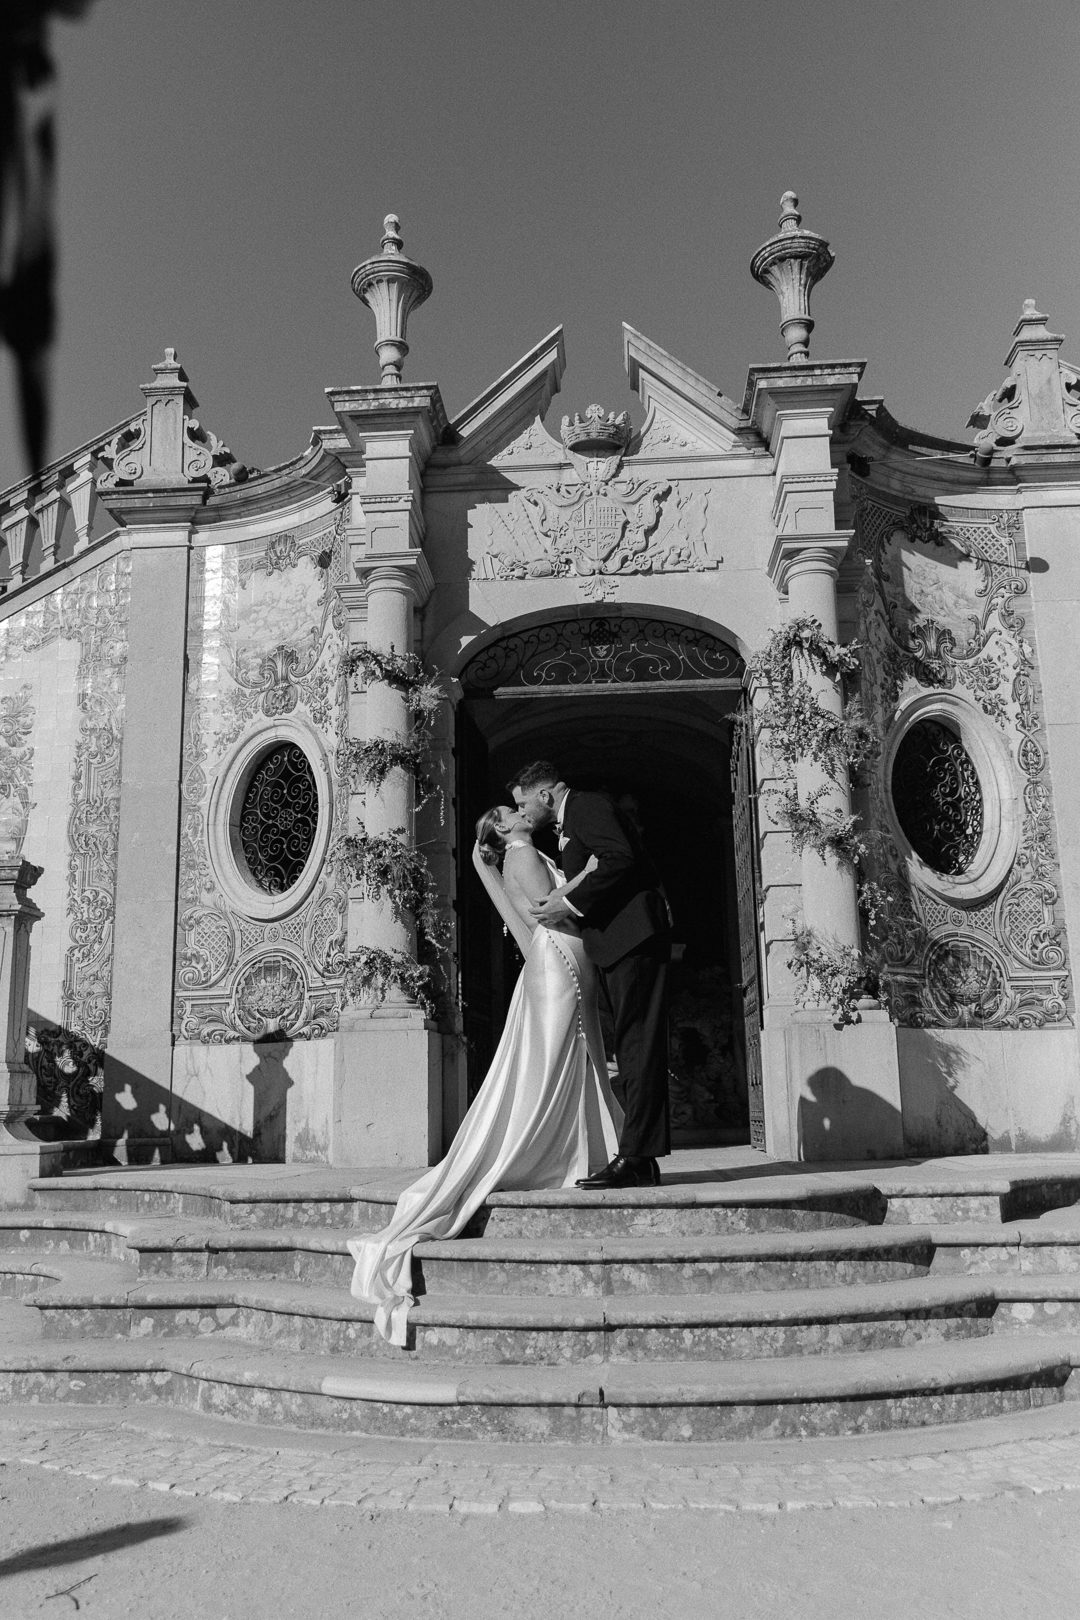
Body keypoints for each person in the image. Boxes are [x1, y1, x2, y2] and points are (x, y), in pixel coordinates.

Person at [348, 804, 622, 1346]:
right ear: (501, 830)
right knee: (553, 1058)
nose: (521, 810)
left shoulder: (525, 852)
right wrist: (593, 874)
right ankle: (542, 1148)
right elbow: (550, 910)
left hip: (560, 959)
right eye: (509, 811)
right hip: (561, 958)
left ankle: (575, 1147)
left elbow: (533, 920)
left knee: (565, 1056)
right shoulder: (523, 854)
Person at [510, 760, 671, 1190]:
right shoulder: (572, 815)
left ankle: (637, 1157)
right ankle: (643, 1157)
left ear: (545, 795)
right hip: (621, 941)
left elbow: (620, 858)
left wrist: (570, 904)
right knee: (634, 1044)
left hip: (632, 936)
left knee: (638, 1045)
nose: (523, 814)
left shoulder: (586, 806)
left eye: (524, 804)